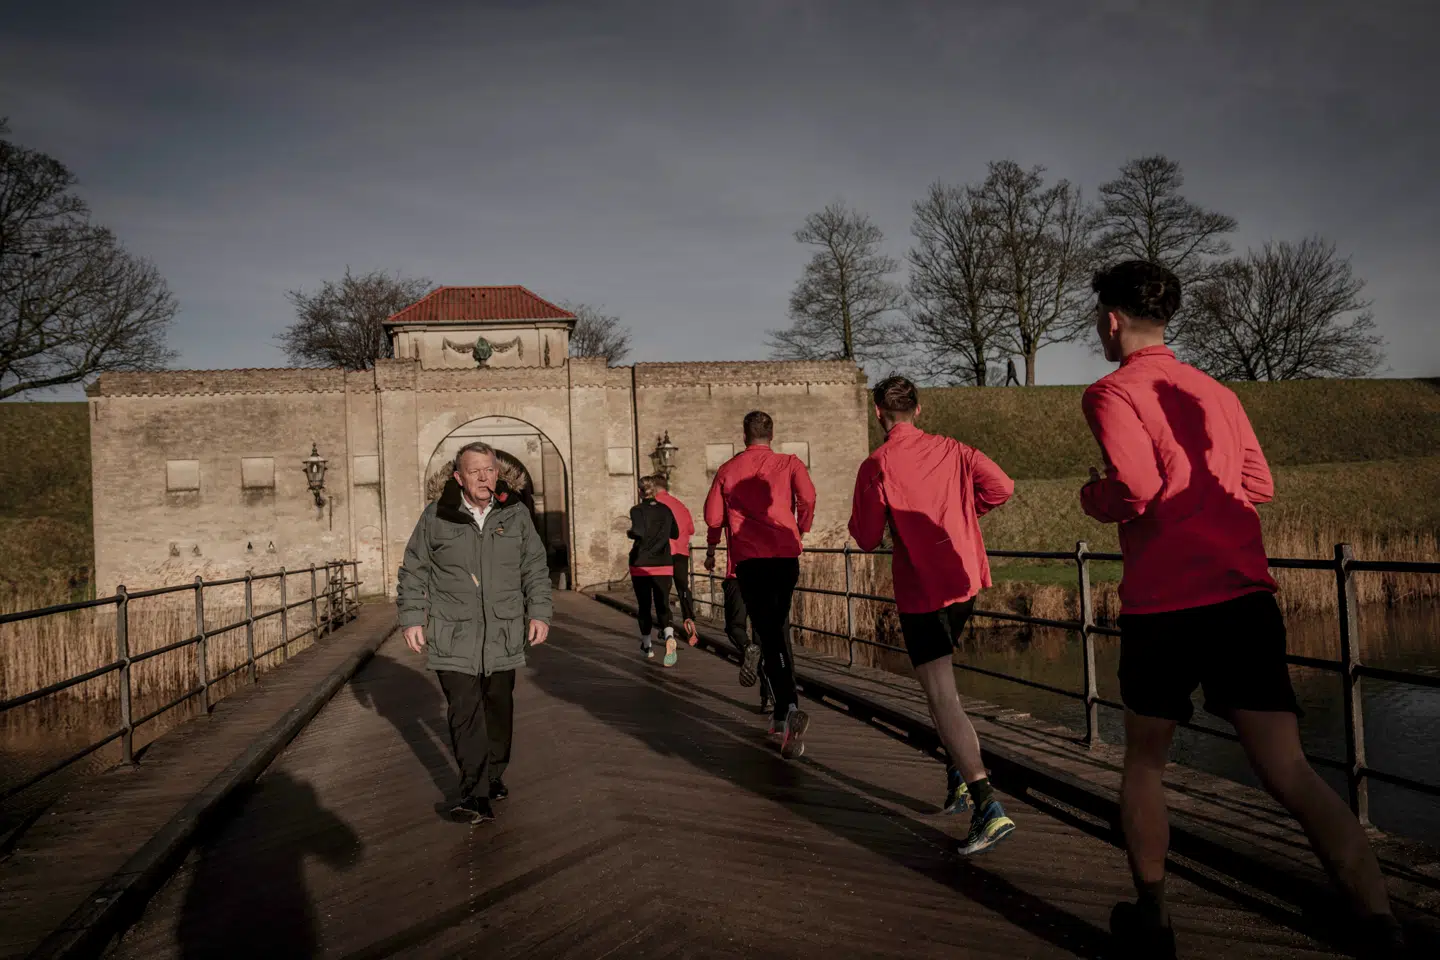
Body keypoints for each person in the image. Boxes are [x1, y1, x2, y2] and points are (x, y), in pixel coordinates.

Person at [1082, 261, 1404, 958]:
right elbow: (1259, 482)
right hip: (1241, 597)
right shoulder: (1218, 394)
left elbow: (1134, 488)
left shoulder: (1111, 392)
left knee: (1144, 762)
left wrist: (1096, 497)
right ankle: (1380, 922)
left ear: (1111, 319)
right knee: (1289, 769)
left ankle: (1154, 920)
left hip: (1163, 605)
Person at [848, 375, 1018, 857]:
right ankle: (959, 779)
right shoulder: (955, 449)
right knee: (943, 692)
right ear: (918, 410)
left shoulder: (877, 464)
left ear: (878, 413)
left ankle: (987, 805)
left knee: (941, 695)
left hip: (921, 590)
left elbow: (864, 537)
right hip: (964, 582)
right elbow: (1002, 486)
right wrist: (966, 512)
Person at [397, 442, 552, 825]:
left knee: (498, 707)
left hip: (502, 630)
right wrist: (413, 617)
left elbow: (534, 565)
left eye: (489, 470)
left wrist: (540, 612)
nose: (484, 477)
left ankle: (494, 773)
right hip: (454, 633)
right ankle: (474, 793)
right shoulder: (436, 517)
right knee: (465, 712)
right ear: (459, 477)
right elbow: (414, 568)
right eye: (475, 471)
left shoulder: (515, 514)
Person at [703, 410, 817, 759]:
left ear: (744, 434)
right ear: (772, 433)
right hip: (785, 556)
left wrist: (712, 542)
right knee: (777, 629)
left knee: (767, 633)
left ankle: (788, 706)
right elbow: (808, 498)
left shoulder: (728, 469)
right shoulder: (790, 463)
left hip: (750, 560)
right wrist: (802, 527)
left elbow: (712, 517)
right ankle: (782, 714)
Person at [629, 475, 682, 666]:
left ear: (640, 491)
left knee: (644, 606)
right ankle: (668, 636)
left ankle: (647, 646)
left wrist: (630, 533)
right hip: (664, 563)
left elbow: (639, 532)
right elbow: (675, 533)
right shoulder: (666, 510)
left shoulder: (637, 510)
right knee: (663, 603)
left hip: (642, 563)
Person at [651, 472, 699, 646]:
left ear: (654, 488)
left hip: (663, 553)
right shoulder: (680, 505)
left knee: (662, 590)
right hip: (681, 553)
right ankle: (689, 617)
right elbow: (691, 529)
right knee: (682, 587)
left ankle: (667, 627)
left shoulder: (654, 505)